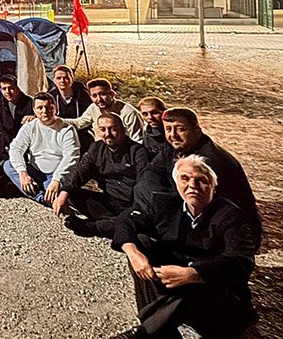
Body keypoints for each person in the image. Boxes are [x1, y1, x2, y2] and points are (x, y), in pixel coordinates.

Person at [110, 155, 258, 339]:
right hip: (177, 284)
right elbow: (127, 219)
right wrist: (132, 252)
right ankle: (160, 326)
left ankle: (146, 332)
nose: (192, 185)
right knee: (140, 242)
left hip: (216, 294)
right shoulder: (166, 205)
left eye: (201, 180)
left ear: (214, 185)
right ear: (176, 181)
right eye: (185, 178)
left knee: (190, 291)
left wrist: (191, 273)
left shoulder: (230, 215)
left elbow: (241, 260)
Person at [136, 107, 262, 250]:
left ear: (197, 130)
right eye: (168, 129)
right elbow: (151, 172)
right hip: (196, 212)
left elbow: (205, 201)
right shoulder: (174, 147)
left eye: (180, 129)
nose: (173, 135)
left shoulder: (209, 161)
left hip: (225, 225)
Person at [52, 113, 149, 238]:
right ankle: (115, 223)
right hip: (109, 200)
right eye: (102, 130)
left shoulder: (138, 152)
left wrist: (134, 209)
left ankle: (98, 226)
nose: (107, 134)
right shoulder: (97, 148)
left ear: (123, 130)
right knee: (71, 193)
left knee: (137, 220)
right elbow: (80, 173)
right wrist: (64, 193)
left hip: (132, 203)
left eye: (113, 129)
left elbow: (143, 186)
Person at [2, 92, 80, 203]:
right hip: (36, 171)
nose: (44, 111)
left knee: (62, 194)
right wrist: (23, 173)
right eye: (40, 108)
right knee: (8, 165)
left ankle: (42, 195)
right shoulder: (30, 127)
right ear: (34, 110)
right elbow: (16, 149)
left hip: (56, 174)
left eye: (49, 108)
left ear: (55, 109)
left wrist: (57, 180)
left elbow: (71, 157)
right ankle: (40, 197)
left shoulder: (67, 129)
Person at [60, 78, 143, 143]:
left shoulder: (129, 113)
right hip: (101, 150)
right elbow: (79, 123)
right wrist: (55, 121)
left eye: (102, 94)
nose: (99, 99)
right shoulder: (93, 108)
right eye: (94, 96)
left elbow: (138, 140)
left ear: (112, 94)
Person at [49, 64, 94, 148]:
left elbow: (87, 120)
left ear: (72, 80)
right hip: (58, 131)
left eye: (66, 78)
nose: (62, 81)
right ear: (54, 80)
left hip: (80, 132)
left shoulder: (83, 95)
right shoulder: (51, 97)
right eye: (59, 78)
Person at [0, 74, 34, 141]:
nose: (7, 92)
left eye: (11, 88)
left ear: (18, 88)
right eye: (4, 89)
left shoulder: (30, 102)